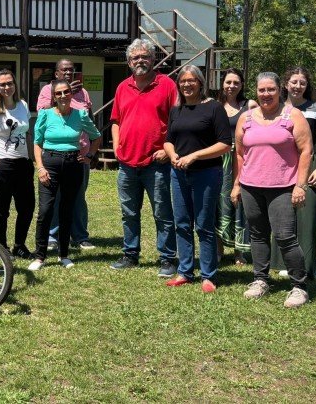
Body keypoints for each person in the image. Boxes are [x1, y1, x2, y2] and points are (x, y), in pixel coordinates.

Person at [232, 72, 313, 308]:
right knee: (257, 235)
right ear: (256, 91)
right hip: (250, 186)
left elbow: (306, 150)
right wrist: (237, 184)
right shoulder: (245, 118)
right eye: (261, 90)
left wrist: (300, 185)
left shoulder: (293, 116)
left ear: (280, 90)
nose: (266, 94)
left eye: (271, 90)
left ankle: (299, 286)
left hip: (283, 187)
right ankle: (260, 280)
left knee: (285, 236)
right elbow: (239, 153)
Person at [109, 39, 179, 277]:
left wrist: (167, 150)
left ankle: (168, 258)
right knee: (128, 212)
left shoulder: (167, 85)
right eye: (135, 57)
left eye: (145, 56)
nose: (140, 60)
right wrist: (118, 146)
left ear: (153, 59)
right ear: (129, 62)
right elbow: (116, 120)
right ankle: (130, 254)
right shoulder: (122, 87)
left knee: (162, 213)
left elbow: (177, 121)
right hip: (127, 163)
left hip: (156, 163)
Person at [163, 66, 231, 292]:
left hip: (206, 174)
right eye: (182, 81)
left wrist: (194, 156)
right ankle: (184, 271)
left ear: (200, 83)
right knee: (181, 224)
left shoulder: (214, 108)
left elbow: (224, 144)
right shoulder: (177, 110)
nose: (187, 85)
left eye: (192, 81)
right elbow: (168, 140)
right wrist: (173, 155)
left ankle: (208, 275)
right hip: (179, 174)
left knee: (204, 225)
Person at [29, 79, 101, 271]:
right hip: (50, 165)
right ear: (53, 96)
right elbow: (37, 143)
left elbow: (96, 136)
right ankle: (40, 256)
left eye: (66, 92)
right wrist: (40, 168)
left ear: (71, 94)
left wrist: (90, 156)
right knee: (45, 210)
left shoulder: (81, 115)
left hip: (72, 165)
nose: (62, 96)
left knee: (67, 210)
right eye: (58, 93)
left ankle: (64, 254)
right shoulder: (45, 115)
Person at [273, 67, 316, 281]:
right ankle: (289, 262)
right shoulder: (276, 108)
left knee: (310, 215)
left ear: (307, 86)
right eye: (294, 82)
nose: (298, 86)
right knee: (286, 215)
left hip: (310, 166)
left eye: (302, 83)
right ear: (286, 84)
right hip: (282, 167)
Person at [36, 58, 95, 250]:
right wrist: (65, 93)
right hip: (54, 155)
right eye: (64, 70)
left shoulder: (83, 92)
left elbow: (90, 118)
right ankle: (53, 236)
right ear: (56, 74)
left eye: (71, 70)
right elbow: (43, 112)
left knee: (78, 196)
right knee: (55, 197)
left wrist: (90, 153)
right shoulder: (47, 90)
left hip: (80, 154)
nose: (68, 73)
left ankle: (80, 236)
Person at [0, 70, 35, 259]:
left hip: (23, 164)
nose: (6, 87)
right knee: (1, 210)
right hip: (1, 164)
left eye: (9, 83)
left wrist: (31, 157)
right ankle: (0, 248)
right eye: (2, 84)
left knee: (27, 208)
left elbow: (27, 133)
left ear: (15, 85)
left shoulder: (23, 105)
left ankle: (19, 245)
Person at [215, 69, 257, 265]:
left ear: (242, 85)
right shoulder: (214, 105)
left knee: (239, 202)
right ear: (222, 83)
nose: (231, 86)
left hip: (241, 158)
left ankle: (240, 251)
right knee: (218, 203)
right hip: (218, 161)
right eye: (228, 82)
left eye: (236, 83)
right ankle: (219, 247)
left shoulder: (249, 105)